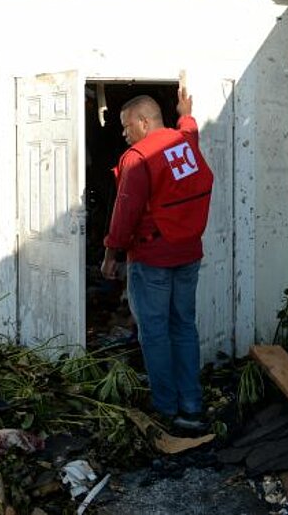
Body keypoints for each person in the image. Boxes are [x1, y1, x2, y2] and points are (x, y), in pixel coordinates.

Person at [100, 86, 213, 432]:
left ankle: (165, 409)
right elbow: (190, 129)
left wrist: (110, 254)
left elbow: (125, 213)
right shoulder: (185, 143)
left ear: (145, 123)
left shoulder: (138, 158)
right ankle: (191, 405)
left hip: (152, 258)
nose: (123, 133)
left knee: (155, 333)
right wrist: (186, 111)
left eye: (126, 125)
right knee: (183, 327)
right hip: (189, 254)